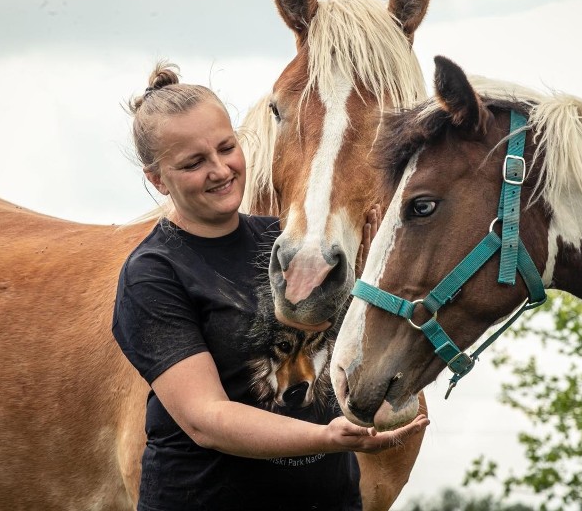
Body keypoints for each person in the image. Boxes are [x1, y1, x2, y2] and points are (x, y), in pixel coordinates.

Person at [112, 62, 429, 511]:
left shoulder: (283, 245)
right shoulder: (153, 273)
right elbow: (207, 419)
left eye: (227, 147)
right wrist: (325, 436)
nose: (220, 170)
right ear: (158, 179)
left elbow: (341, 362)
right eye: (193, 163)